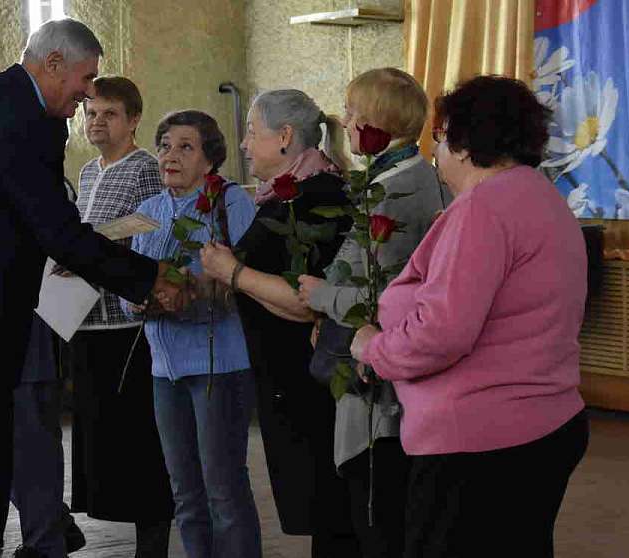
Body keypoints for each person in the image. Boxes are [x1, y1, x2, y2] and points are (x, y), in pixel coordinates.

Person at [0, 18, 180, 558]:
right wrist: (148, 277)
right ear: (53, 64)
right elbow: (58, 231)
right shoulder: (25, 120)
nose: (87, 93)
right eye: (85, 78)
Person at [349, 75, 589, 558]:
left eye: (439, 138)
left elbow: (441, 333)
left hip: (480, 439)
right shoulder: (540, 194)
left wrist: (373, 348)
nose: (436, 153)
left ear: (462, 143)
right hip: (541, 423)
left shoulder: (484, 207)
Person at [295, 68, 448, 557]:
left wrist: (321, 296)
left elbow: (380, 292)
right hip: (373, 357)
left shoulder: (403, 187)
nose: (346, 122)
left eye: (353, 113)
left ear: (379, 122)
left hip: (381, 379)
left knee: (377, 509)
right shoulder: (396, 176)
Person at [200, 90, 358, 556]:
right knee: (326, 518)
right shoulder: (287, 194)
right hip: (288, 379)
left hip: (311, 383)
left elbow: (306, 302)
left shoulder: (314, 197)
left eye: (252, 132)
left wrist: (233, 272)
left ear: (285, 136)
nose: (244, 144)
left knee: (334, 516)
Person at [125, 110, 261, 558]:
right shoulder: (147, 212)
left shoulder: (230, 202)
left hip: (218, 364)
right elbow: (129, 290)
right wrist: (141, 300)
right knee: (184, 493)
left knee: (223, 489)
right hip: (164, 369)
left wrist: (193, 289)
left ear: (210, 158)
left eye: (186, 147)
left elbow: (247, 282)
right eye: (165, 146)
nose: (171, 155)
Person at [68, 75, 172, 555]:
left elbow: (151, 224)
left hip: (128, 324)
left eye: (109, 114)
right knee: (104, 442)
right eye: (91, 113)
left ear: (133, 120)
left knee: (139, 440)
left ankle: (152, 542)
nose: (97, 121)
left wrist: (87, 244)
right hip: (86, 318)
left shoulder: (145, 167)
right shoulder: (89, 172)